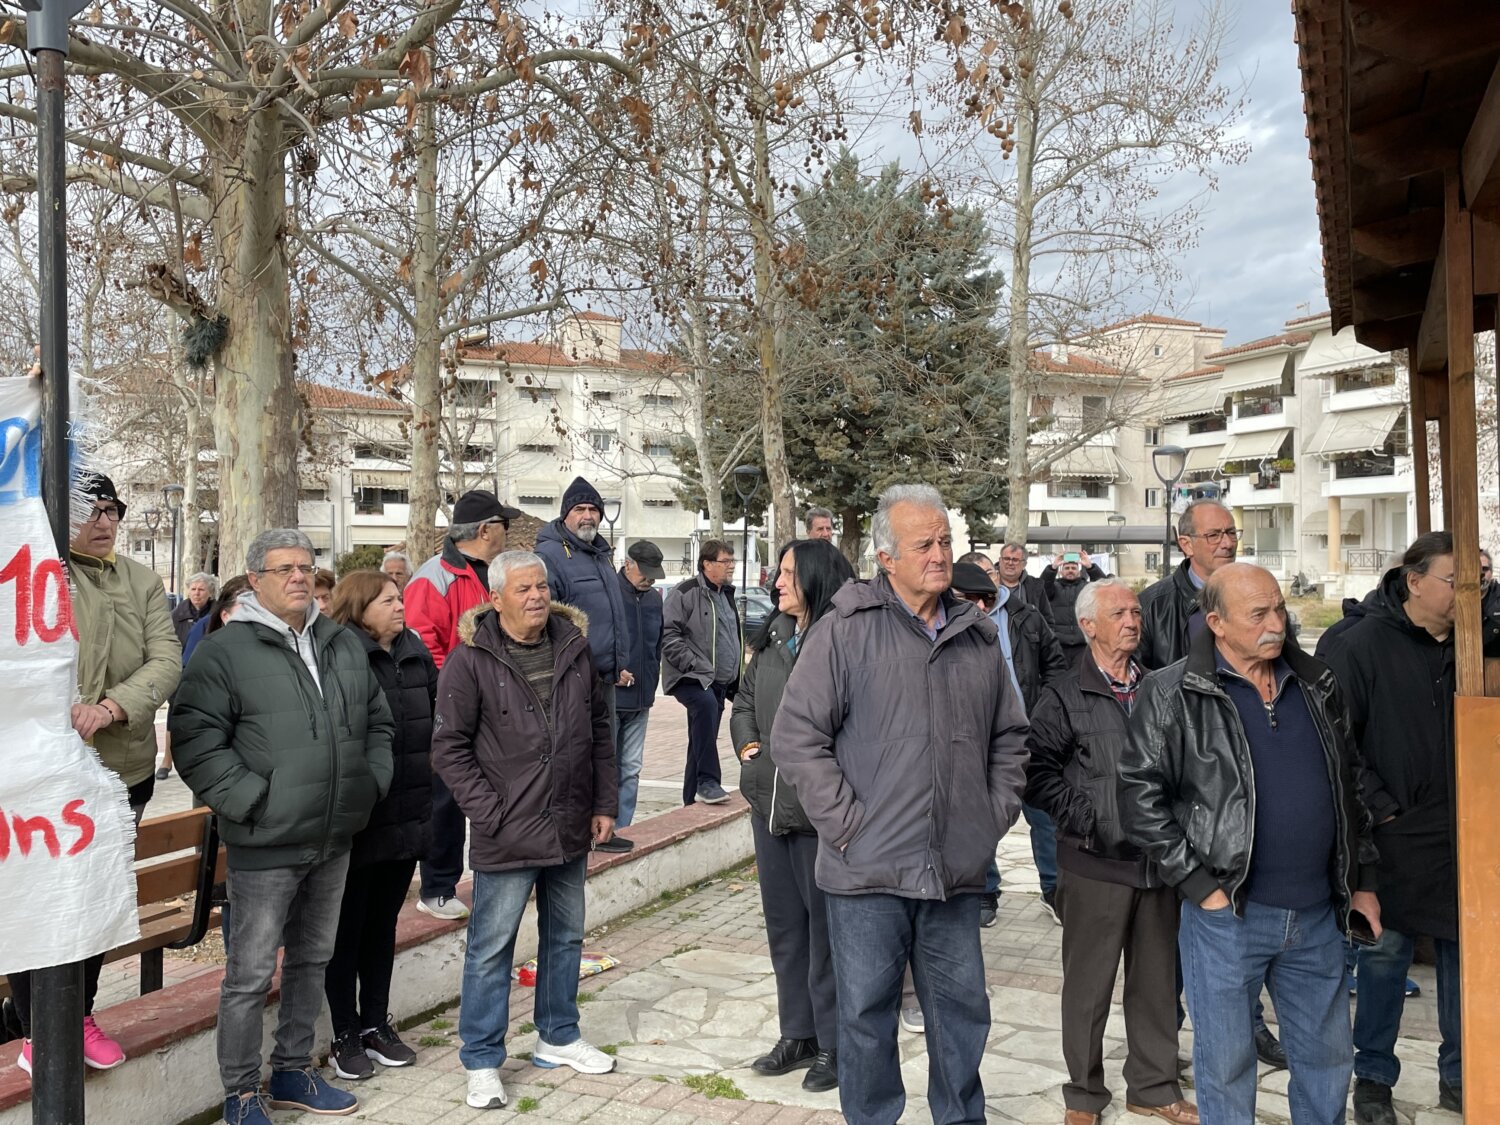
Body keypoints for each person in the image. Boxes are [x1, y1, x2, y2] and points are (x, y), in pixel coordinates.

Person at [775, 483, 1029, 1125]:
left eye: (945, 541)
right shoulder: (844, 630)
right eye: (924, 545)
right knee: (865, 1021)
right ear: (886, 558)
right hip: (867, 873)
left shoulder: (976, 634)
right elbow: (796, 737)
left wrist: (987, 818)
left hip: (954, 871)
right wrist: (848, 826)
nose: (940, 555)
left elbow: (1010, 737)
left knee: (963, 1016)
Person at [1118, 562, 1380, 1125]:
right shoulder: (1172, 692)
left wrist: (1364, 882)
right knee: (1226, 1066)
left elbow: (1351, 786)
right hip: (1228, 917)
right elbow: (1138, 797)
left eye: (1279, 608)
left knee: (1328, 1062)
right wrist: (1200, 886)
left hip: (1317, 915)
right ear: (1216, 622)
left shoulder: (1317, 683)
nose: (1276, 624)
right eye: (1258, 614)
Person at [171, 529, 394, 1125]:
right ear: (255, 580)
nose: (299, 577)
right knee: (248, 975)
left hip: (334, 834)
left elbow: (378, 721)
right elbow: (194, 740)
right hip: (266, 841)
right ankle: (242, 1093)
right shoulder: (226, 650)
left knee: (311, 961)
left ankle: (293, 1070)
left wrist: (369, 783)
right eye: (284, 569)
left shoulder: (339, 642)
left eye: (306, 566)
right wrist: (255, 801)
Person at [430, 551, 618, 1111]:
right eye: (522, 589)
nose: (536, 596)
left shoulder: (574, 647)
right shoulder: (470, 660)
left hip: (570, 822)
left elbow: (600, 729)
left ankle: (557, 1036)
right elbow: (449, 748)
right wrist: (490, 813)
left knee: (566, 937)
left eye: (540, 586)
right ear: (495, 598)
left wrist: (603, 802)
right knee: (491, 949)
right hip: (507, 831)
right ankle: (482, 1059)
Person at [8, 472, 182, 1076]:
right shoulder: (34, 569)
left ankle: (78, 1015)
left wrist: (109, 707)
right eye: (90, 509)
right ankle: (36, 1031)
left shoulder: (141, 579)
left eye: (112, 509)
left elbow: (166, 659)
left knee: (94, 894)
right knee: (40, 896)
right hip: (40, 774)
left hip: (120, 768)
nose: (104, 521)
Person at [1315, 532, 1488, 1122]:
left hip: (1464, 832)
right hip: (1389, 835)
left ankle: (1462, 1073)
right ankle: (1373, 1078)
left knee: (1465, 956)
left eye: (1482, 581)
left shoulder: (1477, 644)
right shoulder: (1359, 644)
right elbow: (1336, 742)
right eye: (1460, 581)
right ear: (1414, 581)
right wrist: (1383, 808)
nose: (1473, 593)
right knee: (1384, 958)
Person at [1024, 579, 1197, 1125]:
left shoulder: (1161, 687)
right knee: (1089, 988)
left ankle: (1154, 1087)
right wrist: (1091, 818)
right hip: (1095, 864)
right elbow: (1035, 773)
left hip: (1158, 864)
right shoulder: (1063, 695)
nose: (1132, 621)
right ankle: (1083, 1095)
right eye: (1118, 613)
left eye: (1135, 611)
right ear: (1088, 626)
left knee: (1157, 986)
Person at [734, 539, 855, 1094]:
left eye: (788, 573)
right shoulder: (774, 635)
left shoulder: (842, 639)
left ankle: (835, 1043)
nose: (777, 583)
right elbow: (743, 702)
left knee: (826, 935)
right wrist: (748, 749)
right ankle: (799, 1033)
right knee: (785, 929)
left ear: (816, 578)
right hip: (770, 807)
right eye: (778, 572)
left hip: (819, 816)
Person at [323, 571, 438, 1082]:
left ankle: (375, 1023)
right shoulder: (340, 653)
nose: (400, 606)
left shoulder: (413, 650)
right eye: (388, 600)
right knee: (346, 929)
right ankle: (343, 1032)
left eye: (399, 598)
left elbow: (437, 712)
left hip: (408, 811)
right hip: (361, 816)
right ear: (359, 606)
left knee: (382, 926)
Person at [405, 488, 523, 922]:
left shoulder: (497, 574)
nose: (508, 532)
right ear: (487, 530)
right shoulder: (434, 577)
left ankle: (508, 872)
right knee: (447, 801)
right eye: (504, 525)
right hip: (453, 709)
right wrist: (457, 695)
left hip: (500, 706)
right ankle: (437, 887)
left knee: (502, 791)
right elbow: (423, 646)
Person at [535, 477, 630, 738]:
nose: (587, 516)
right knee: (576, 751)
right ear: (565, 514)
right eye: (579, 509)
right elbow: (544, 620)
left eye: (593, 510)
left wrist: (618, 663)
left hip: (604, 678)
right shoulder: (548, 556)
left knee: (605, 752)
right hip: (570, 680)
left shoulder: (601, 555)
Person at [662, 539, 741, 806]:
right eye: (725, 561)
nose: (731, 566)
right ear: (707, 564)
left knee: (701, 737)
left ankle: (691, 801)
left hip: (718, 680)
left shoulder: (726, 594)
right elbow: (668, 635)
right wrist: (694, 665)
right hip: (690, 676)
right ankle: (708, 781)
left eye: (732, 561)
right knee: (705, 708)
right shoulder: (685, 592)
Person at [607, 540, 666, 853]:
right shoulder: (609, 593)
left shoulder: (654, 599)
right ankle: (602, 830)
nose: (650, 579)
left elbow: (658, 644)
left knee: (631, 767)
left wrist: (653, 677)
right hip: (612, 697)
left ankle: (623, 828)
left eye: (654, 573)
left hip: (642, 698)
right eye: (645, 572)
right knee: (608, 767)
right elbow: (594, 640)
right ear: (627, 564)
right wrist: (611, 670)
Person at [1136, 499, 1238, 670]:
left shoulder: (1260, 594)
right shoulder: (1151, 607)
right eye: (1214, 535)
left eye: (1231, 532)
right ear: (1187, 545)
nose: (1227, 544)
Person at [162, 571, 218, 779]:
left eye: (201, 589)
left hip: (210, 673)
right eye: (193, 589)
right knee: (174, 715)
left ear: (210, 592)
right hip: (182, 671)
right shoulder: (176, 615)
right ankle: (167, 760)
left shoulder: (218, 613)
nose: (196, 593)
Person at [1041, 551, 1107, 667]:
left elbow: (1104, 586)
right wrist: (1052, 568)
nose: (1070, 570)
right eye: (1066, 568)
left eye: (1073, 568)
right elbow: (1041, 587)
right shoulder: (1053, 588)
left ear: (1079, 571)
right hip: (1058, 644)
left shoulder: (1087, 588)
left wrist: (1090, 567)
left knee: (1082, 675)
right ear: (1061, 571)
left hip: (1083, 644)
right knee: (1058, 675)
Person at [997, 542, 1056, 626]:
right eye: (1006, 558)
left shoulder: (1035, 587)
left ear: (1024, 564)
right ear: (1000, 561)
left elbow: (1047, 621)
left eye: (1015, 560)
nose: (1010, 563)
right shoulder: (988, 582)